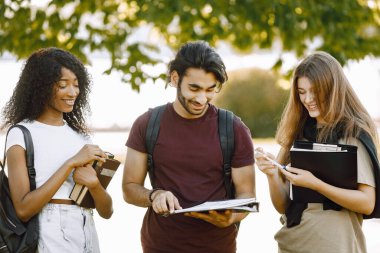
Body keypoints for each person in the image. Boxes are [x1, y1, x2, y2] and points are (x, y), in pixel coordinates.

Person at [122, 41, 255, 253]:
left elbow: (247, 195)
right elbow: (129, 188)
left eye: (211, 90)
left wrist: (233, 216)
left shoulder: (234, 129)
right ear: (175, 79)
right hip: (159, 246)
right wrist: (154, 195)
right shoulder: (147, 124)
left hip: (217, 247)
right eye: (194, 88)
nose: (202, 99)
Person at [255, 51, 379, 253]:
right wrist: (271, 175)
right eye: (302, 92)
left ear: (332, 89)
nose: (308, 99)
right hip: (291, 244)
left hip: (335, 246)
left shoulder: (352, 134)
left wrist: (316, 184)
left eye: (315, 91)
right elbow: (283, 206)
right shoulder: (297, 134)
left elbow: (367, 203)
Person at [1, 48, 113, 252]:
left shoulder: (80, 138)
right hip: (49, 233)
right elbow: (23, 209)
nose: (72, 92)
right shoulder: (22, 134)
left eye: (76, 85)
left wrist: (95, 185)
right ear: (41, 86)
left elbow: (107, 212)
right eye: (63, 85)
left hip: (87, 230)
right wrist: (71, 163)